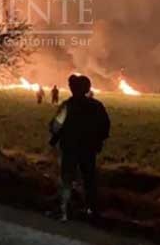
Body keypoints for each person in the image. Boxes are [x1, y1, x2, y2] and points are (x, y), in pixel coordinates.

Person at [49, 75, 110, 221]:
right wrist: (97, 142)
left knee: (67, 179)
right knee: (89, 179)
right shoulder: (97, 106)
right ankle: (92, 210)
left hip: (70, 149)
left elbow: (55, 127)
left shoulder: (68, 106)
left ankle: (64, 210)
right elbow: (105, 127)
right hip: (88, 150)